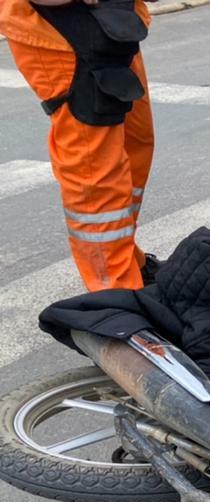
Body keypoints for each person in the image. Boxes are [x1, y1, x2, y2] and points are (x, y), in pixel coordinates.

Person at [1, 0, 156, 291]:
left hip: (112, 20)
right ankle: (115, 293)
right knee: (96, 169)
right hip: (56, 23)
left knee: (136, 145)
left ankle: (127, 262)